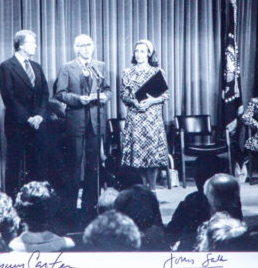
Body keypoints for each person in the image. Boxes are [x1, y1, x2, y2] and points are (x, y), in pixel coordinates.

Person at [54, 34, 110, 227]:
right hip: (76, 121)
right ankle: (70, 208)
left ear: (93, 47)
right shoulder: (67, 68)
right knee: (74, 164)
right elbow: (60, 93)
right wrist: (78, 99)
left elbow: (108, 90)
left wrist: (104, 96)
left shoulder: (100, 66)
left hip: (95, 122)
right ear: (76, 48)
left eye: (89, 45)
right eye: (82, 45)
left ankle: (90, 205)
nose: (86, 48)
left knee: (94, 165)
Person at [0, 30, 49, 195]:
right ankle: (11, 202)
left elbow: (44, 94)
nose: (35, 45)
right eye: (32, 42)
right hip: (17, 125)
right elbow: (9, 97)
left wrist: (39, 116)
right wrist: (28, 118)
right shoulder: (7, 66)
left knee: (37, 165)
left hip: (37, 125)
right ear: (20, 45)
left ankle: (35, 202)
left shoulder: (36, 67)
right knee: (14, 165)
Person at [119, 39, 171, 188]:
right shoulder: (127, 72)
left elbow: (165, 95)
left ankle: (153, 188)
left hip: (152, 119)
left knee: (152, 155)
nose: (139, 54)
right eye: (137, 51)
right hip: (135, 117)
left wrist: (151, 101)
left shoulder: (157, 72)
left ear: (149, 54)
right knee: (138, 155)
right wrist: (133, 102)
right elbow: (123, 95)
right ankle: (142, 188)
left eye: (142, 51)